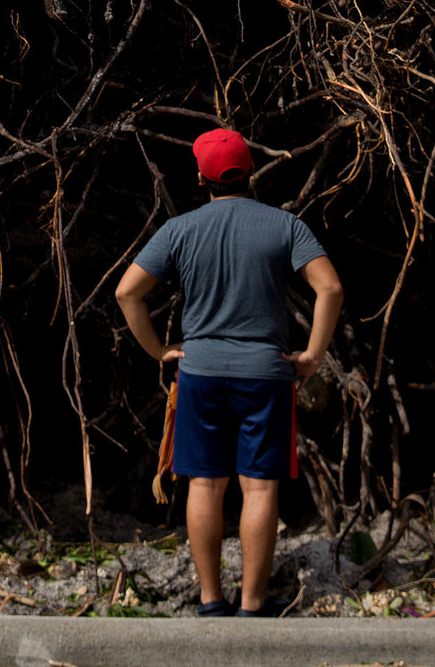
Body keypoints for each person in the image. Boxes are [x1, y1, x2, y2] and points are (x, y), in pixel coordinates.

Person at [115, 127, 345, 617]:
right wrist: (313, 354)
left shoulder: (180, 229)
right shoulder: (285, 226)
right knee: (258, 488)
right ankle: (254, 603)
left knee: (204, 484)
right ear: (250, 172)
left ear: (201, 177)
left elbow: (126, 292)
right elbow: (330, 288)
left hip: (199, 373)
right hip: (265, 374)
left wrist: (160, 350)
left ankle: (210, 600)